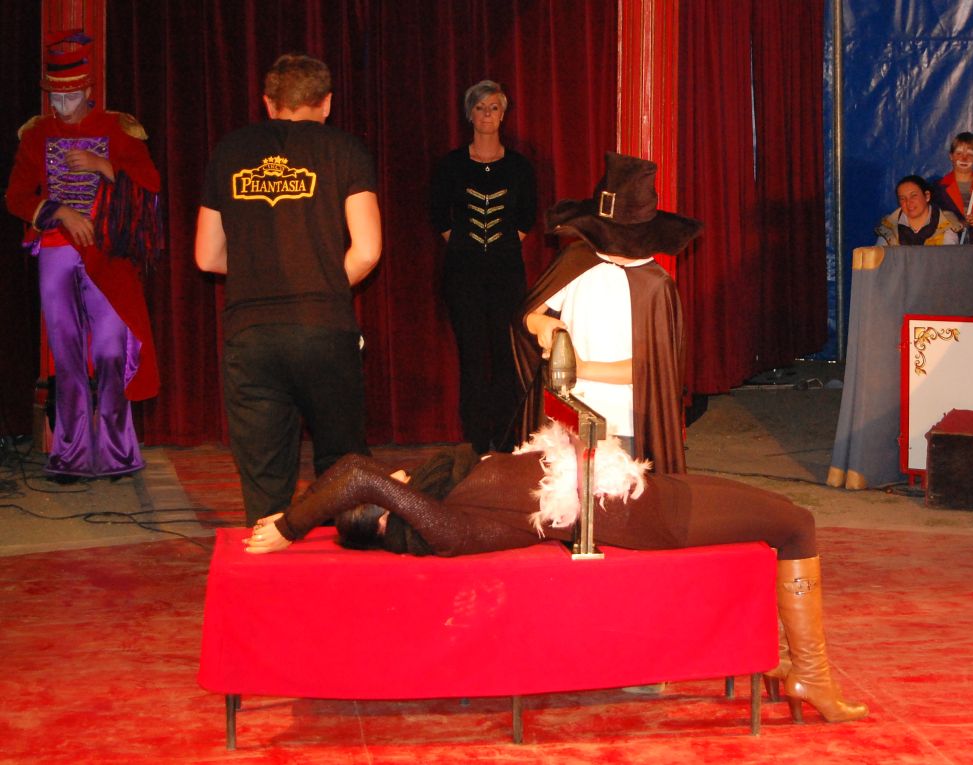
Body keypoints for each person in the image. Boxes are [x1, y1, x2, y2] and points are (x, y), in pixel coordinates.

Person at [245, 420, 868, 724]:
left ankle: (796, 665)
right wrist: (292, 525)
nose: (398, 474)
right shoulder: (446, 527)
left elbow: (357, 475)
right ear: (383, 517)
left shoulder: (445, 481)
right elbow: (356, 473)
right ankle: (810, 677)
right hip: (653, 518)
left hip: (644, 487)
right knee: (797, 523)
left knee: (784, 513)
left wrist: (306, 509)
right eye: (391, 487)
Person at [195, 53, 382, 527]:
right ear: (327, 103)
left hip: (252, 333)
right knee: (343, 469)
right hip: (323, 327)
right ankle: (346, 561)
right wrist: (320, 284)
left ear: (268, 102)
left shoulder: (230, 150)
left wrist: (261, 276)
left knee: (265, 476)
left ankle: (269, 552)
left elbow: (207, 257)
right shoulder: (344, 149)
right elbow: (366, 251)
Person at [5, 30, 161, 482]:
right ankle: (70, 453)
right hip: (56, 251)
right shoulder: (37, 134)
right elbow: (16, 196)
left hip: (107, 253)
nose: (62, 104)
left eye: (70, 95)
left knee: (110, 350)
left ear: (89, 89)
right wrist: (59, 211)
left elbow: (150, 185)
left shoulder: (118, 128)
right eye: (55, 96)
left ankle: (116, 451)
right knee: (66, 352)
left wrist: (103, 166)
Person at [512, 152, 702, 474]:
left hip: (621, 422)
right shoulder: (576, 261)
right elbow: (527, 316)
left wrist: (582, 368)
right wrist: (542, 323)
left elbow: (652, 370)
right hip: (564, 411)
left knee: (615, 499)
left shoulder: (656, 287)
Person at [430, 80, 537, 454]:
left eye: (494, 107)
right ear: (469, 114)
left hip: (507, 274)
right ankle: (475, 441)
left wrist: (500, 247)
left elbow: (527, 216)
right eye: (480, 107)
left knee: (506, 356)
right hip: (463, 275)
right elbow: (438, 214)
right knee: (472, 357)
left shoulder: (519, 167)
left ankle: (506, 439)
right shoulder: (451, 165)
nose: (487, 114)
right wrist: (467, 247)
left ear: (503, 114)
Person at [875, 175, 962, 246]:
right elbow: (881, 260)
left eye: (914, 196)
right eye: (902, 198)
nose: (908, 202)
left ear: (927, 196)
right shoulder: (888, 229)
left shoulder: (947, 225)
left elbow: (949, 259)